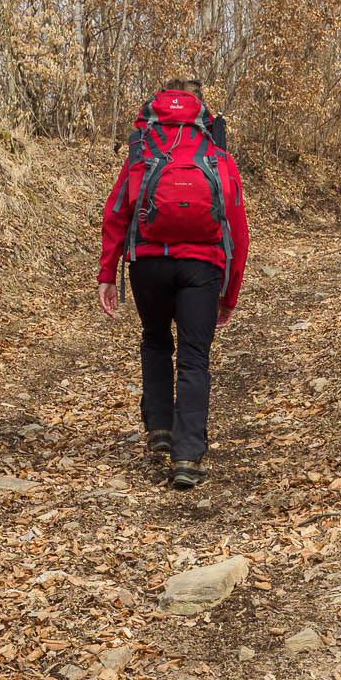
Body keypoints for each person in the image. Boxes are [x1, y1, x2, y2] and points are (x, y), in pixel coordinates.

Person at [98, 79, 249, 491]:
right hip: (203, 267)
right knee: (194, 358)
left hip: (148, 264)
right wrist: (229, 295)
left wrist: (107, 273)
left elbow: (117, 212)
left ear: (155, 110)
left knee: (155, 339)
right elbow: (237, 228)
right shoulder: (215, 154)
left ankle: (159, 429)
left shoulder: (143, 151)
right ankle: (186, 456)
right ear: (201, 112)